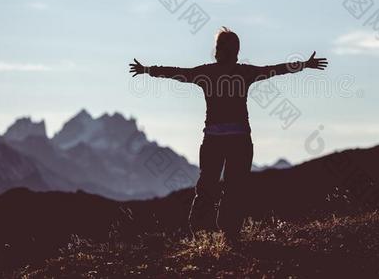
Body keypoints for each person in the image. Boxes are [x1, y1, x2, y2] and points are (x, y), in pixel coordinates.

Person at [129, 27, 328, 241]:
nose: (216, 50)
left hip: (216, 140)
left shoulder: (208, 73)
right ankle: (225, 234)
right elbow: (275, 69)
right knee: (232, 188)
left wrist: (147, 70)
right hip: (238, 140)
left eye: (218, 46)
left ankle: (207, 234)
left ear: (225, 50)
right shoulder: (241, 72)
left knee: (212, 186)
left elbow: (177, 73)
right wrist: (304, 65)